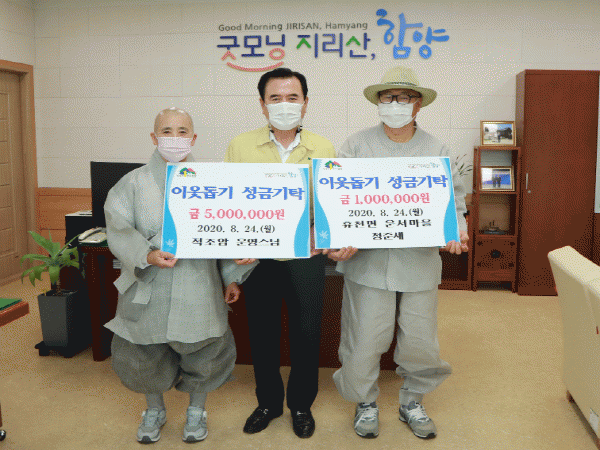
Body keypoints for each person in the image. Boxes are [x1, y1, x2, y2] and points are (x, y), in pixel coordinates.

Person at [332, 66, 469, 440]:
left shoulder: (436, 150)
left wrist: (456, 231)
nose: (395, 104)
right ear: (378, 103)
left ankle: (413, 401)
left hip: (418, 261)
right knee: (363, 339)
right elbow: (338, 198)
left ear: (418, 104)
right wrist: (339, 238)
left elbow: (454, 201)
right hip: (367, 262)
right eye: (388, 97)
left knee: (420, 341)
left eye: (404, 98)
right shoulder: (356, 145)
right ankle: (365, 401)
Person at [224, 68, 355, 439]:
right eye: (275, 98)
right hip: (259, 260)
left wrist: (328, 234)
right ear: (263, 104)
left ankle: (301, 404)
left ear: (305, 103)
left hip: (306, 258)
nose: (285, 105)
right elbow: (227, 204)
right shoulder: (240, 146)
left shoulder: (324, 148)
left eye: (292, 97)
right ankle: (267, 403)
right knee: (261, 333)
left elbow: (333, 205)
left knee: (307, 333)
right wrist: (234, 253)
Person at [104, 107, 247, 444]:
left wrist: (232, 276)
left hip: (199, 283)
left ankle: (197, 410)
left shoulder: (214, 182)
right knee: (143, 353)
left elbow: (228, 231)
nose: (175, 138)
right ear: (154, 138)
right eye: (166, 131)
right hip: (149, 284)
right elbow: (118, 228)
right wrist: (146, 254)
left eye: (182, 131)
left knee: (205, 353)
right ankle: (154, 409)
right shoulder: (132, 183)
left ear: (193, 138)